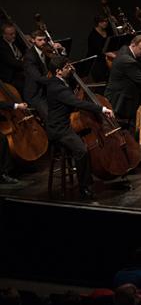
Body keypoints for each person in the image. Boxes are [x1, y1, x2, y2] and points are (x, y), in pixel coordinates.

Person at [39, 55, 116, 198]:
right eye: (67, 67)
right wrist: (102, 109)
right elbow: (77, 103)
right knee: (82, 151)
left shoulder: (60, 81)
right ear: (58, 71)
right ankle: (84, 187)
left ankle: (89, 178)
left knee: (87, 142)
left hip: (65, 125)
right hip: (59, 129)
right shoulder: (57, 87)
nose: (70, 69)